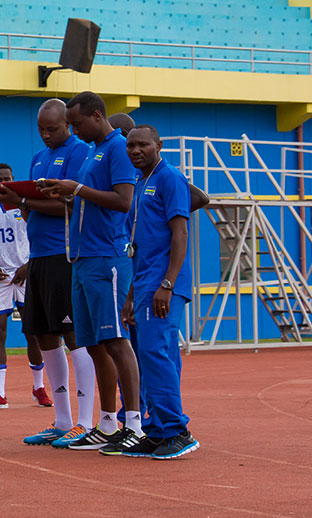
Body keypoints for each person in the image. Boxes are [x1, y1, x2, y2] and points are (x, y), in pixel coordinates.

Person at [41, 91, 143, 453]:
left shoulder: (117, 147)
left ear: (97, 116)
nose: (73, 128)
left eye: (77, 122)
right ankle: (107, 421)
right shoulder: (93, 150)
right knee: (95, 343)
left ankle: (134, 423)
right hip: (82, 259)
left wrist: (77, 188)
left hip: (107, 258)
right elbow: (86, 197)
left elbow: (124, 200)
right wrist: (66, 194)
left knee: (116, 340)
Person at [0, 98, 97, 447]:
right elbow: (35, 206)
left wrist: (23, 202)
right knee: (43, 335)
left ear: (67, 124)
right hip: (37, 254)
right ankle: (62, 419)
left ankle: (85, 421)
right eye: (41, 129)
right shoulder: (39, 157)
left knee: (74, 335)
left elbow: (68, 203)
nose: (46, 135)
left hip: (65, 255)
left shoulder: (79, 153)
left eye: (52, 128)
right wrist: (17, 199)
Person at [120, 124, 199, 459]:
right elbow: (139, 246)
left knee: (156, 353)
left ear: (159, 145)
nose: (136, 150)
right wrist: (129, 296)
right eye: (131, 146)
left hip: (163, 284)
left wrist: (167, 283)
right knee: (147, 355)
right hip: (143, 282)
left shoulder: (169, 178)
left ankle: (176, 430)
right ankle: (157, 429)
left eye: (142, 145)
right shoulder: (141, 182)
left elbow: (179, 233)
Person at [0, 163, 48, 410]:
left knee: (32, 331)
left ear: (13, 179)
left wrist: (29, 265)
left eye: (7, 179)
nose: (3, 183)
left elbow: (39, 237)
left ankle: (39, 387)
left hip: (25, 274)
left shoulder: (25, 205)